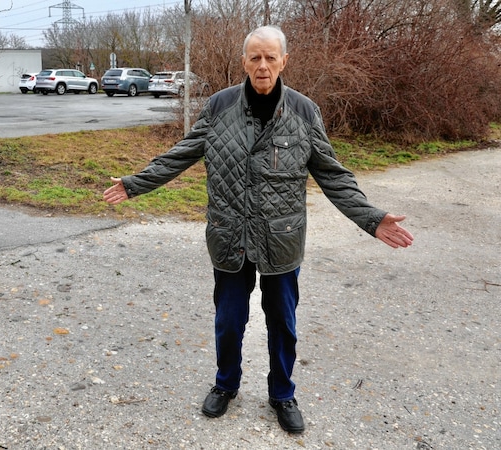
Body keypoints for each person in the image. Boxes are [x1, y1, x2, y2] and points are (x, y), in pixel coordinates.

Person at [102, 25, 414, 434]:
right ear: (244, 62)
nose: (262, 66)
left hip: (281, 240)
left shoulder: (304, 111)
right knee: (229, 321)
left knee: (282, 323)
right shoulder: (218, 107)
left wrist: (371, 218)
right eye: (255, 57)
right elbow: (181, 154)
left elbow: (333, 175)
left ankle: (282, 393)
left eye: (270, 57)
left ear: (284, 61)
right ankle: (225, 385)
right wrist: (134, 184)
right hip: (230, 237)